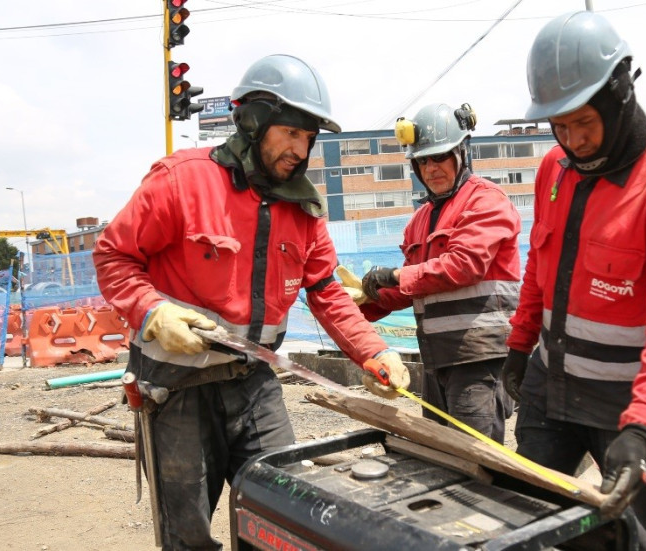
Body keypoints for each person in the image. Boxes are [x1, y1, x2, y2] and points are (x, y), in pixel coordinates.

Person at [93, 54, 410, 551]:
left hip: (253, 383)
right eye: (290, 133)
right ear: (254, 119)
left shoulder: (303, 210)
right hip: (176, 388)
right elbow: (114, 255)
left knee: (284, 514)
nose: (300, 149)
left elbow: (325, 289)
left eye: (308, 138)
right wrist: (151, 312)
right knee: (188, 533)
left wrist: (372, 351)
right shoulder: (182, 181)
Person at [501, 12, 646, 551]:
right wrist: (520, 347)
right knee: (526, 518)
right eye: (559, 126)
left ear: (619, 96)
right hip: (552, 387)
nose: (573, 140)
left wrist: (641, 426)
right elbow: (540, 267)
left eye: (584, 123)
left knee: (644, 537)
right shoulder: (555, 169)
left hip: (629, 403)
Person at [346, 102, 522, 443]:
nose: (431, 168)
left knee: (475, 461)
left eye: (439, 157)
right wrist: (357, 304)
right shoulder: (419, 220)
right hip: (436, 360)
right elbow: (414, 285)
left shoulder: (486, 201)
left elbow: (464, 266)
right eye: (423, 160)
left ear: (461, 153)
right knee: (442, 454)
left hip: (480, 358)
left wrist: (392, 276)